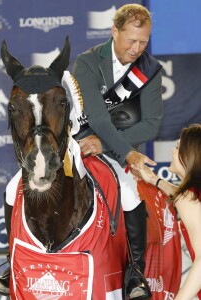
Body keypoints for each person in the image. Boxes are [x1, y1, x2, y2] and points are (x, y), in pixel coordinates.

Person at [72, 3, 163, 299]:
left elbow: (151, 125)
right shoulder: (87, 62)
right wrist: (128, 152)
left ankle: (134, 273)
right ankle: (11, 263)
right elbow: (96, 118)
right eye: (131, 40)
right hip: (80, 143)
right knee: (14, 189)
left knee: (129, 191)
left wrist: (114, 146)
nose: (137, 49)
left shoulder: (149, 70)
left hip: (113, 151)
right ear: (114, 31)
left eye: (144, 41)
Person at [131, 124, 201, 299]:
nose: (172, 151)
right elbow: (180, 196)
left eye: (178, 148)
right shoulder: (190, 196)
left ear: (189, 156)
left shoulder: (188, 199)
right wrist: (155, 180)